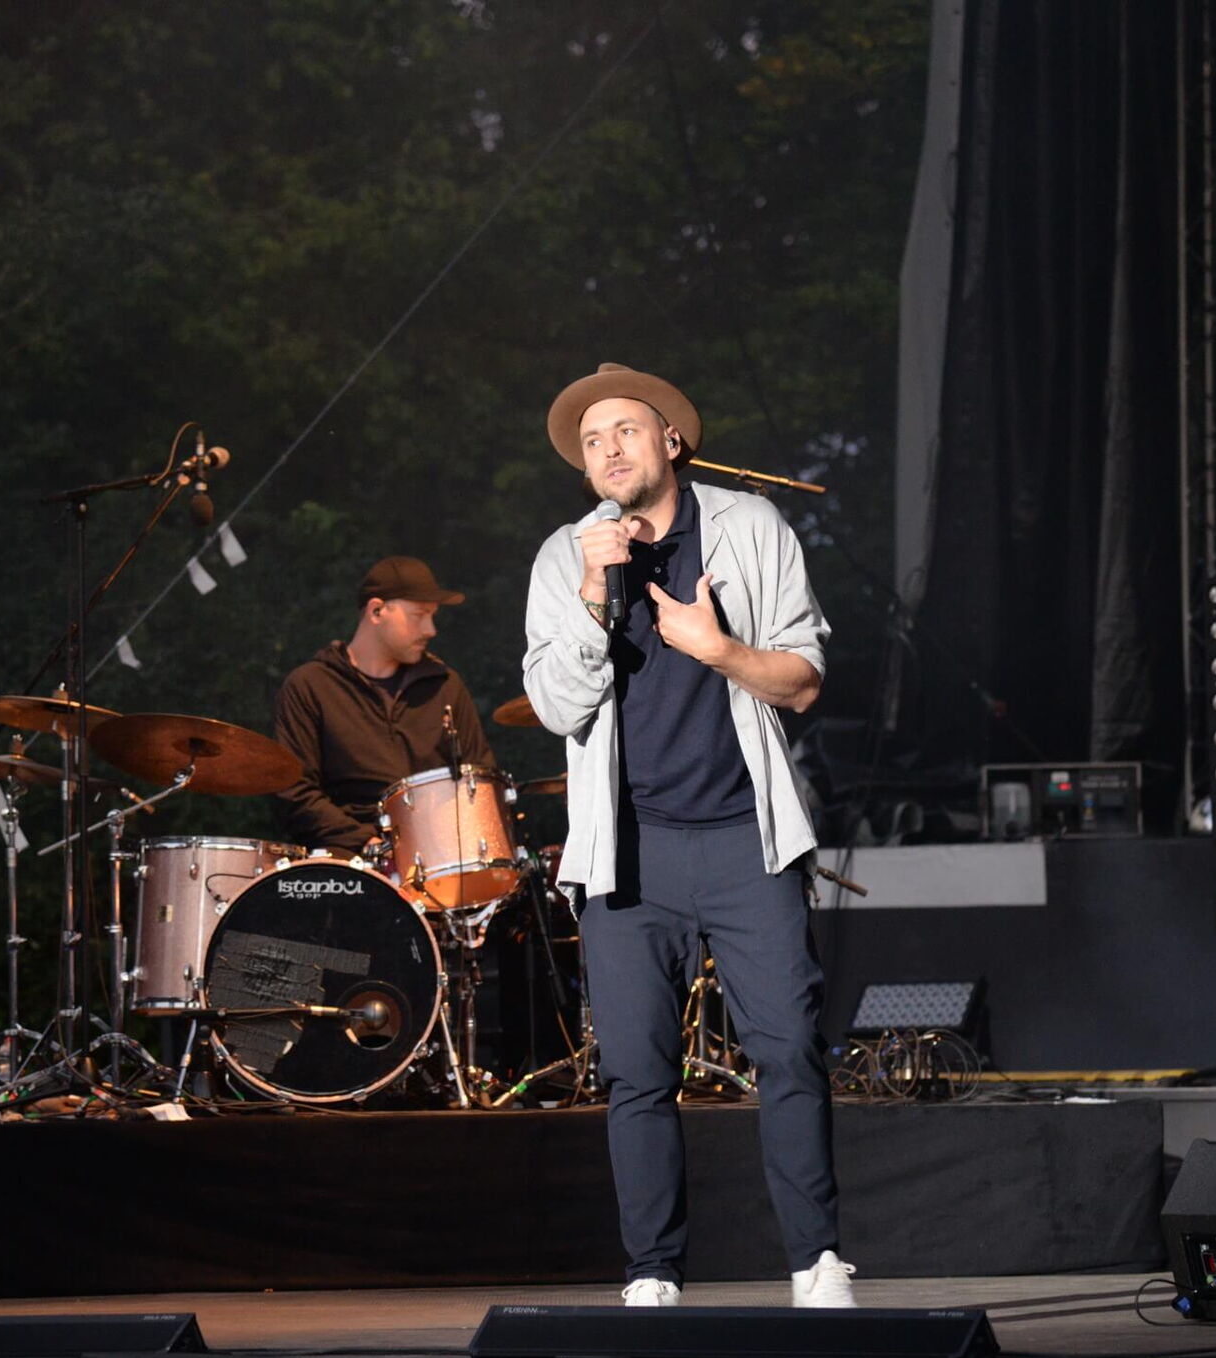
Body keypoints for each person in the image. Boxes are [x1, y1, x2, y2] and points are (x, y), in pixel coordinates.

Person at [521, 362, 855, 1309]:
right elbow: (556, 706)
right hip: (628, 853)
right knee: (636, 1074)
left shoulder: (750, 527)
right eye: (591, 441)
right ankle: (652, 1275)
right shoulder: (564, 556)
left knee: (788, 1051)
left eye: (624, 430)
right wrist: (595, 592)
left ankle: (816, 1263)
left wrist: (719, 649)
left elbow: (802, 681)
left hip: (746, 840)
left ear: (670, 441)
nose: (607, 450)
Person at [271, 556, 497, 857]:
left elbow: (481, 780)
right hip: (347, 860)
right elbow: (294, 793)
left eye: (432, 616)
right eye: (419, 615)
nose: (431, 629)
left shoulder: (445, 685)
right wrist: (368, 843)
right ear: (377, 611)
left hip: (439, 856)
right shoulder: (309, 686)